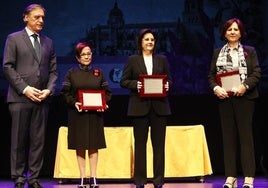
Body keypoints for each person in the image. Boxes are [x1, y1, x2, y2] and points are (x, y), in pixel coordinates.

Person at [2, 4, 57, 188]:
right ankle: (18, 178)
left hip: (42, 99)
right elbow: (8, 67)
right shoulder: (14, 39)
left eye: (43, 17)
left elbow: (53, 71)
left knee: (38, 141)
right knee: (19, 140)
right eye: (37, 17)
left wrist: (48, 90)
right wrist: (25, 89)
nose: (41, 20)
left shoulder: (48, 42)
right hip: (20, 98)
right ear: (26, 17)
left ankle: (33, 178)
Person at [208, 18, 261, 188]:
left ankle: (248, 178)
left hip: (245, 98)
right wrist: (216, 88)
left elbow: (256, 73)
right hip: (225, 99)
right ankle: (230, 177)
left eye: (235, 29)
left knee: (246, 139)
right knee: (228, 139)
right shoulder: (217, 52)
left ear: (241, 32)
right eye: (229, 29)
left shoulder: (249, 51)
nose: (232, 32)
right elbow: (211, 76)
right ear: (224, 33)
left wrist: (245, 86)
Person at [120, 29, 172, 188]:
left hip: (159, 107)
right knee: (140, 145)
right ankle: (140, 181)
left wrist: (169, 84)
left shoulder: (161, 60)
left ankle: (158, 181)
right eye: (146, 39)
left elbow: (169, 78)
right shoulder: (133, 60)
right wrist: (137, 84)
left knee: (159, 146)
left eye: (152, 40)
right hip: (139, 107)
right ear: (141, 42)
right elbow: (124, 81)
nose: (150, 42)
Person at [61, 42, 112, 188]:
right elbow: (65, 93)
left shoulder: (99, 72)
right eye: (83, 54)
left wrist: (104, 103)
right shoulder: (71, 73)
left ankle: (94, 177)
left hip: (95, 115)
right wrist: (74, 103)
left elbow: (107, 93)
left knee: (94, 146)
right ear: (78, 57)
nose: (87, 56)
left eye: (89, 53)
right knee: (80, 145)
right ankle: (83, 177)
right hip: (78, 115)